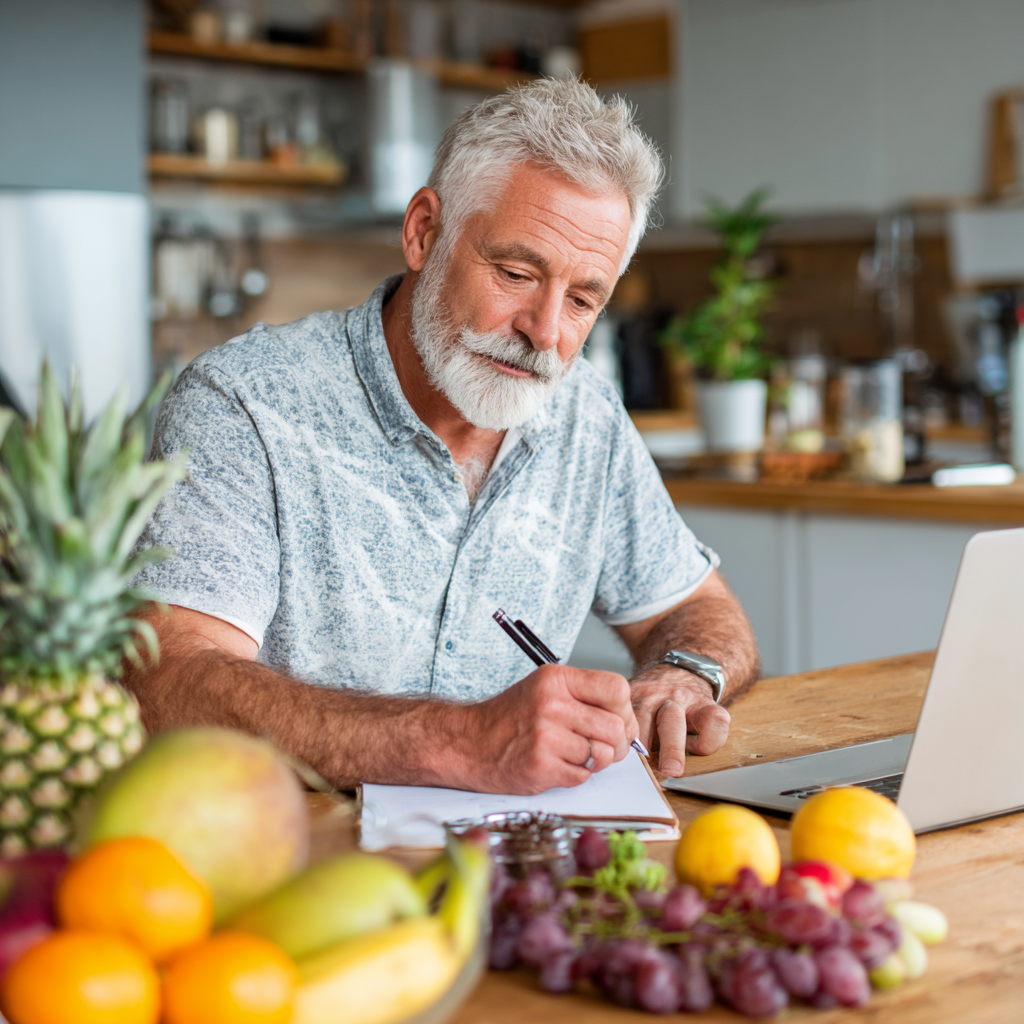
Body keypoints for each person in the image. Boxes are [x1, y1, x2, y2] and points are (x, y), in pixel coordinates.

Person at [126, 78, 759, 795]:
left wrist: (683, 676)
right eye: (517, 273)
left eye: (584, 300)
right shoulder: (245, 402)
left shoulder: (586, 416)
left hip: (522, 868)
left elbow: (698, 607)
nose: (545, 333)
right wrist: (460, 741)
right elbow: (172, 679)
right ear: (424, 231)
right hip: (284, 865)